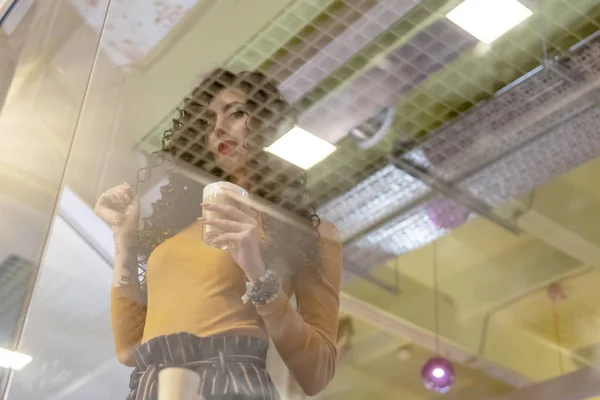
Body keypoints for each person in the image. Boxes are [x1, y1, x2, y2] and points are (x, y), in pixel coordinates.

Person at [95, 69, 342, 399]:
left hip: (231, 383)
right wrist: (124, 241)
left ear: (268, 123)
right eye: (206, 121)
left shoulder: (307, 233)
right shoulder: (180, 229)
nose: (218, 129)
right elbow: (129, 350)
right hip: (151, 386)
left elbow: (317, 372)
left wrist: (256, 270)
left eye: (237, 113)